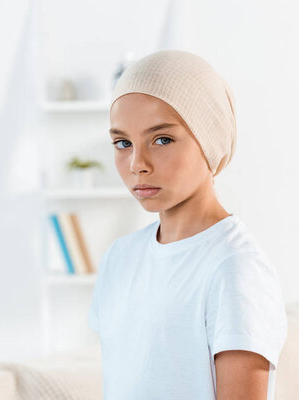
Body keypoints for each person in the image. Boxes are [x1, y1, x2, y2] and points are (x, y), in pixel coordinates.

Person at [87, 50, 287, 400]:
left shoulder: (235, 269)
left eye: (162, 139)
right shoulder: (119, 259)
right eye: (122, 143)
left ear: (209, 140)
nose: (137, 164)